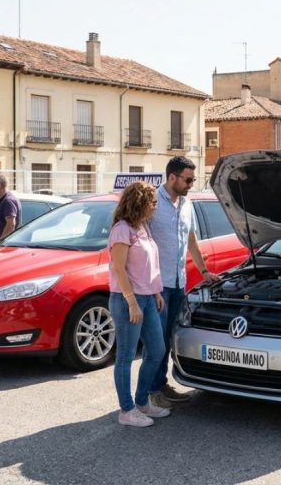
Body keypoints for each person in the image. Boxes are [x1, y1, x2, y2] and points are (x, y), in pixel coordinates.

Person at [147, 157, 219, 408]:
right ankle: (150, 392)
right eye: (188, 180)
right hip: (157, 285)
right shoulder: (152, 203)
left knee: (168, 339)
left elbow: (191, 241)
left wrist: (203, 271)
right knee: (154, 343)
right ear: (172, 177)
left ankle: (161, 384)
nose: (191, 184)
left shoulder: (187, 204)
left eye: (193, 180)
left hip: (179, 282)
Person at [109, 181, 170, 427]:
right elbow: (119, 269)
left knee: (156, 350)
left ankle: (142, 401)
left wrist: (156, 292)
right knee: (125, 356)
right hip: (127, 301)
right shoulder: (122, 230)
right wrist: (132, 302)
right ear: (139, 203)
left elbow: (148, 265)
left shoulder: (143, 227)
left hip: (147, 298)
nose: (155, 207)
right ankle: (126, 410)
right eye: (153, 202)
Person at [0, 174, 21, 242]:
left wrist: (0, 243)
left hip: (3, 247)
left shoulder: (8, 201)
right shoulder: (1, 200)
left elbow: (11, 225)